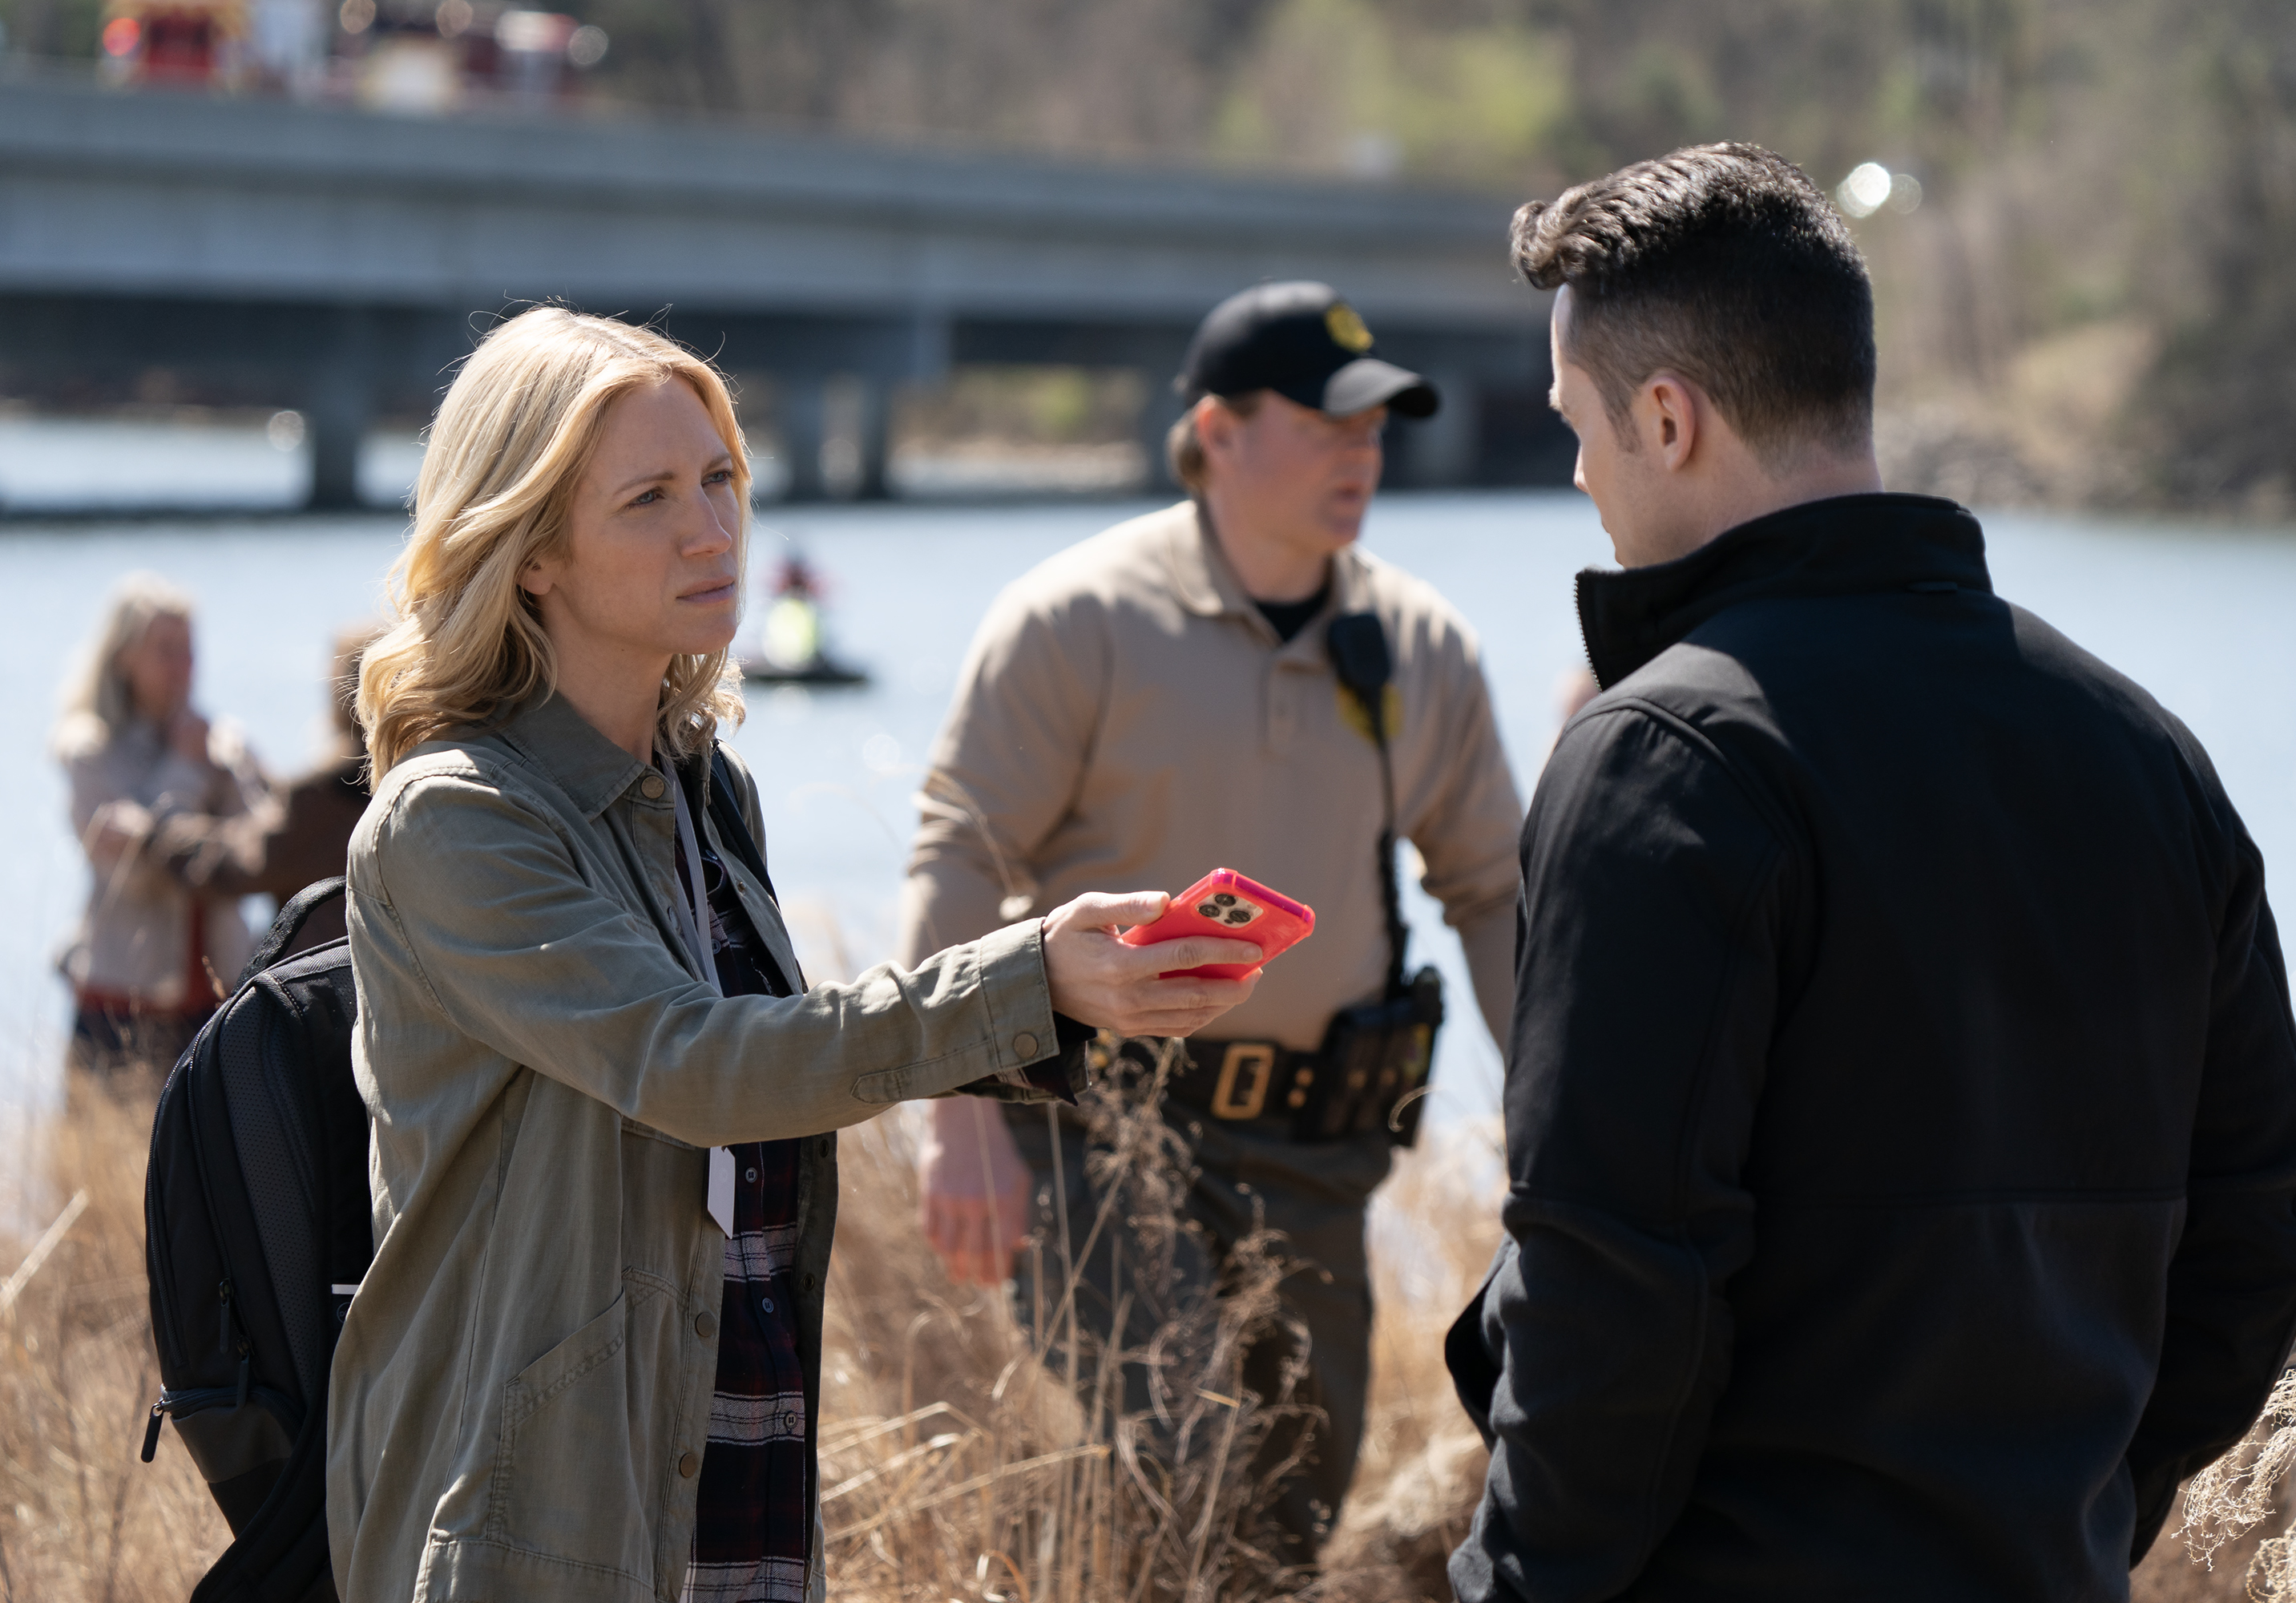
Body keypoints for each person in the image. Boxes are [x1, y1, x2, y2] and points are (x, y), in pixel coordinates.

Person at [1446, 143, 2296, 1601]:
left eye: (1578, 426)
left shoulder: (1662, 756)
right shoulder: (2142, 751)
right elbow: (2253, 1243)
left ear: (1668, 418)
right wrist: (2084, 1507)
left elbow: (1608, 1287)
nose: (1581, 472)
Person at [327, 308, 1262, 1603]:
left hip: (734, 1483)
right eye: (649, 498)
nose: (713, 531)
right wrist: (1021, 980)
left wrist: (1076, 1000)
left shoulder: (707, 792)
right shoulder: (456, 821)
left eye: (719, 479)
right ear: (531, 552)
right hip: (530, 1539)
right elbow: (692, 1067)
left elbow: (783, 1071)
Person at [901, 280, 1525, 1561]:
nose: (1363, 454)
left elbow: (1495, 895)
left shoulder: (1422, 646)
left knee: (1285, 1518)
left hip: (1317, 1150)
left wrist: (1564, 1126)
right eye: (1329, 423)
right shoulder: (1077, 620)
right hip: (1098, 1130)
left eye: (1375, 429)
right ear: (1219, 432)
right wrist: (956, 1119)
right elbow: (962, 853)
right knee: (1180, 1461)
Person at [53, 571, 271, 1081]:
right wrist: (184, 769)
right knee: (100, 1155)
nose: (184, 667)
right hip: (120, 995)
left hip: (219, 989)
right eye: (166, 650)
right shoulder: (90, 750)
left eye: (189, 650)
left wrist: (220, 775)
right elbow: (136, 874)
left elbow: (263, 851)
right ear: (124, 657)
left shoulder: (224, 742)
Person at [151, 622, 379, 952]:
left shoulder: (320, 798)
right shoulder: (420, 783)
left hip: (324, 990)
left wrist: (162, 830)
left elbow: (228, 867)